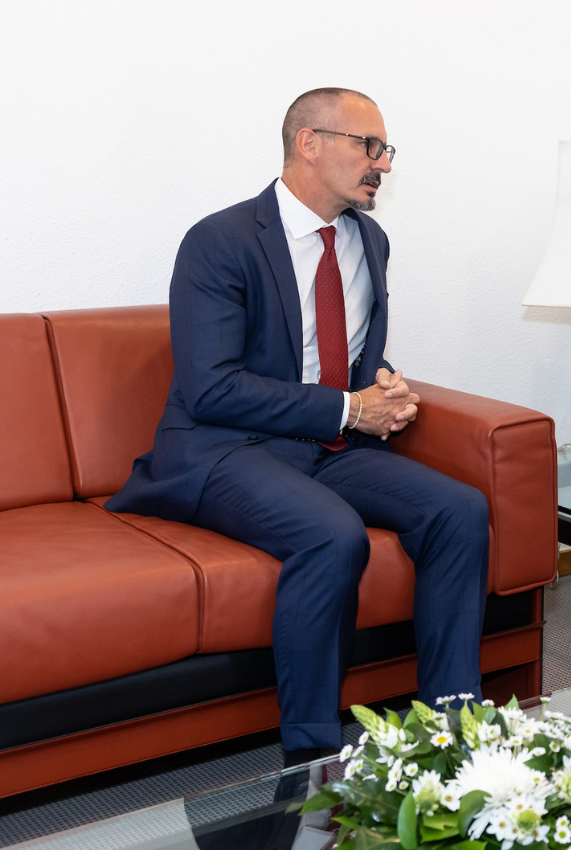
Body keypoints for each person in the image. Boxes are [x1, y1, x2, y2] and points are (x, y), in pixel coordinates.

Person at [109, 87, 489, 765]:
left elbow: (350, 359)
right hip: (221, 448)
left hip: (323, 444)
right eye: (367, 146)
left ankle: (452, 738)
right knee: (332, 535)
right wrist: (349, 409)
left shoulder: (369, 238)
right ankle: (312, 760)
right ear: (309, 144)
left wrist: (386, 391)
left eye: (386, 149)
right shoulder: (220, 241)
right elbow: (211, 386)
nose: (383, 164)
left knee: (460, 510)